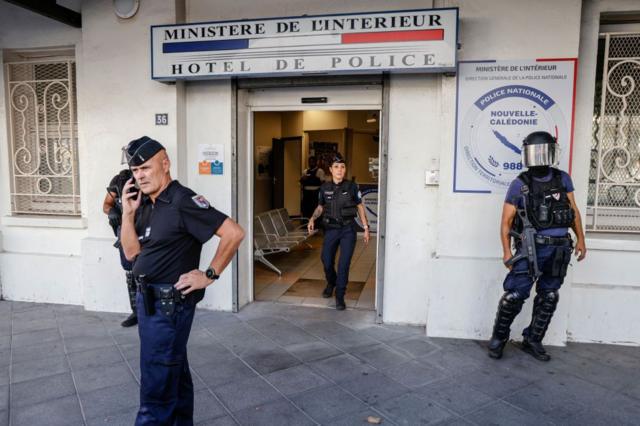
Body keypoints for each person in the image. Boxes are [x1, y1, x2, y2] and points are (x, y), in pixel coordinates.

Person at [120, 136, 244, 425]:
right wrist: (128, 214)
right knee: (174, 377)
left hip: (168, 307)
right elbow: (130, 255)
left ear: (165, 164)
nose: (140, 176)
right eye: (135, 171)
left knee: (155, 390)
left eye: (146, 168)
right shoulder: (145, 203)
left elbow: (234, 233)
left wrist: (209, 275)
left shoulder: (182, 200)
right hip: (148, 303)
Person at [487, 131, 587, 361]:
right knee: (514, 295)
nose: (540, 157)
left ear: (552, 153)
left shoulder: (563, 179)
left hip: (560, 248)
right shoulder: (520, 184)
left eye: (544, 152)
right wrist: (506, 252)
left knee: (549, 295)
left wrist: (581, 238)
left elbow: (573, 211)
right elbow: (506, 222)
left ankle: (532, 339)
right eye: (535, 152)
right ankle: (498, 339)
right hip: (530, 248)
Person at [308, 154, 370, 310]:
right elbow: (321, 206)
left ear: (345, 169)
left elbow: (360, 207)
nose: (340, 170)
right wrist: (312, 219)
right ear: (330, 170)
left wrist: (366, 228)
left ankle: (340, 296)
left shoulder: (352, 187)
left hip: (348, 230)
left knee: (344, 264)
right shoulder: (324, 188)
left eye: (342, 167)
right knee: (326, 260)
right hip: (331, 230)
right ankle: (331, 282)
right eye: (336, 167)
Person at [102, 168, 138, 327]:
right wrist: (112, 212)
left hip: (145, 228)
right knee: (129, 271)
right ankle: (136, 311)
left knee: (149, 270)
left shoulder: (149, 179)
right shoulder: (118, 180)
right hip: (124, 231)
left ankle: (148, 311)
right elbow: (106, 204)